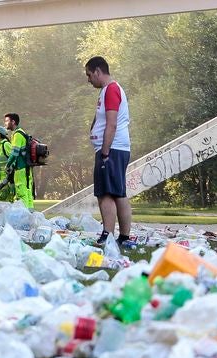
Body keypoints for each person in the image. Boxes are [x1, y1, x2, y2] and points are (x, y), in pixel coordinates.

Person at [85, 56, 132, 248]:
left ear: (97, 71)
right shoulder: (108, 90)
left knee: (106, 194)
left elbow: (111, 124)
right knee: (118, 192)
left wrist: (105, 152)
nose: (88, 79)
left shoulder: (112, 89)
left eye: (89, 75)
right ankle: (123, 237)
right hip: (116, 148)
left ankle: (108, 235)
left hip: (112, 149)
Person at [3, 113, 34, 210]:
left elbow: (14, 153)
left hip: (20, 168)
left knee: (21, 193)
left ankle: (24, 216)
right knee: (27, 192)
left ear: (13, 122)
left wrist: (7, 165)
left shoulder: (17, 135)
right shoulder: (22, 132)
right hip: (26, 168)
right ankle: (30, 213)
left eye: (7, 121)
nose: (5, 123)